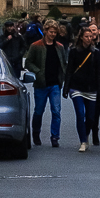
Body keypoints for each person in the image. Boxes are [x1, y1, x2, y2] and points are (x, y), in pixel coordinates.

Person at [25, 19, 67, 147]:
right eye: (51, 32)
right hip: (41, 84)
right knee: (38, 111)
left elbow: (63, 63)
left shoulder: (59, 47)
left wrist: (63, 77)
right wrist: (37, 72)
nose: (53, 34)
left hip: (55, 84)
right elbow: (28, 62)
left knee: (56, 111)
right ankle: (36, 133)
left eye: (55, 32)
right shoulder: (36, 46)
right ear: (45, 31)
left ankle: (55, 137)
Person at [64, 24, 100, 152]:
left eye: (90, 36)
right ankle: (83, 141)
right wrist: (66, 88)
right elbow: (69, 70)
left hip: (91, 88)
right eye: (86, 36)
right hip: (77, 87)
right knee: (80, 114)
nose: (88, 39)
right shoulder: (74, 51)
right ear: (81, 37)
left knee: (91, 118)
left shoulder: (95, 52)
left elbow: (98, 72)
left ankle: (85, 134)